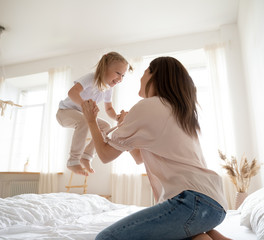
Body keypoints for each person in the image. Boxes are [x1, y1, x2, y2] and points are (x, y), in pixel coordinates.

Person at [82, 56, 231, 239]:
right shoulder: (178, 110)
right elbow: (138, 158)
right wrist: (125, 128)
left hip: (192, 202)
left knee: (106, 238)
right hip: (214, 204)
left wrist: (91, 120)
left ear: (155, 75)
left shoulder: (149, 106)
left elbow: (105, 155)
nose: (140, 77)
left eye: (144, 72)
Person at [56, 52, 133, 176]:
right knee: (83, 120)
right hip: (64, 112)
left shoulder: (108, 89)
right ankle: (73, 160)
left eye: (123, 75)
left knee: (106, 126)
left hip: (82, 115)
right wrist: (84, 105)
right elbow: (72, 92)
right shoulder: (91, 78)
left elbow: (109, 109)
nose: (120, 79)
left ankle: (86, 156)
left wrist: (116, 117)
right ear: (105, 68)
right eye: (118, 73)